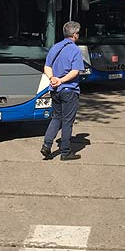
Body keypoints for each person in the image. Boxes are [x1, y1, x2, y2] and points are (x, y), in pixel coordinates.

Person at [40, 21, 84, 161]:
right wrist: (62, 80)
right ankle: (65, 152)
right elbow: (75, 71)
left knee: (56, 117)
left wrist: (53, 78)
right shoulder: (75, 50)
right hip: (69, 90)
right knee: (67, 121)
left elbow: (47, 66)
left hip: (55, 90)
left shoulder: (55, 47)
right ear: (75, 34)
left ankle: (47, 145)